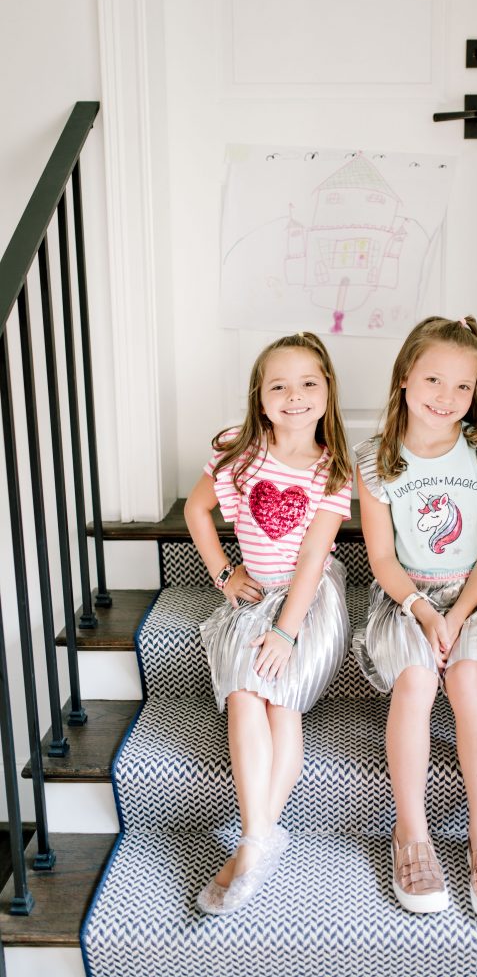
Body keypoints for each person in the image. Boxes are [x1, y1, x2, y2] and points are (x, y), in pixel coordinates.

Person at [353, 315, 477, 919]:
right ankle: (410, 835)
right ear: (405, 377)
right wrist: (419, 609)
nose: (447, 397)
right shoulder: (375, 459)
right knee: (414, 682)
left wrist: (459, 614)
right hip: (406, 595)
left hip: (475, 594)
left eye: (463, 386)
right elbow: (382, 557)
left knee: (467, 679)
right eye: (434, 379)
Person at [185, 332, 353, 915]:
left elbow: (311, 559)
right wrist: (224, 574)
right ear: (260, 399)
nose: (294, 396)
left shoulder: (332, 469)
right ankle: (261, 837)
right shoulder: (239, 450)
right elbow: (194, 509)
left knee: (281, 702)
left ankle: (251, 845)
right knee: (243, 695)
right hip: (253, 594)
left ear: (328, 393)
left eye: (309, 383)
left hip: (308, 602)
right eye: (278, 385)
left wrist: (286, 631)